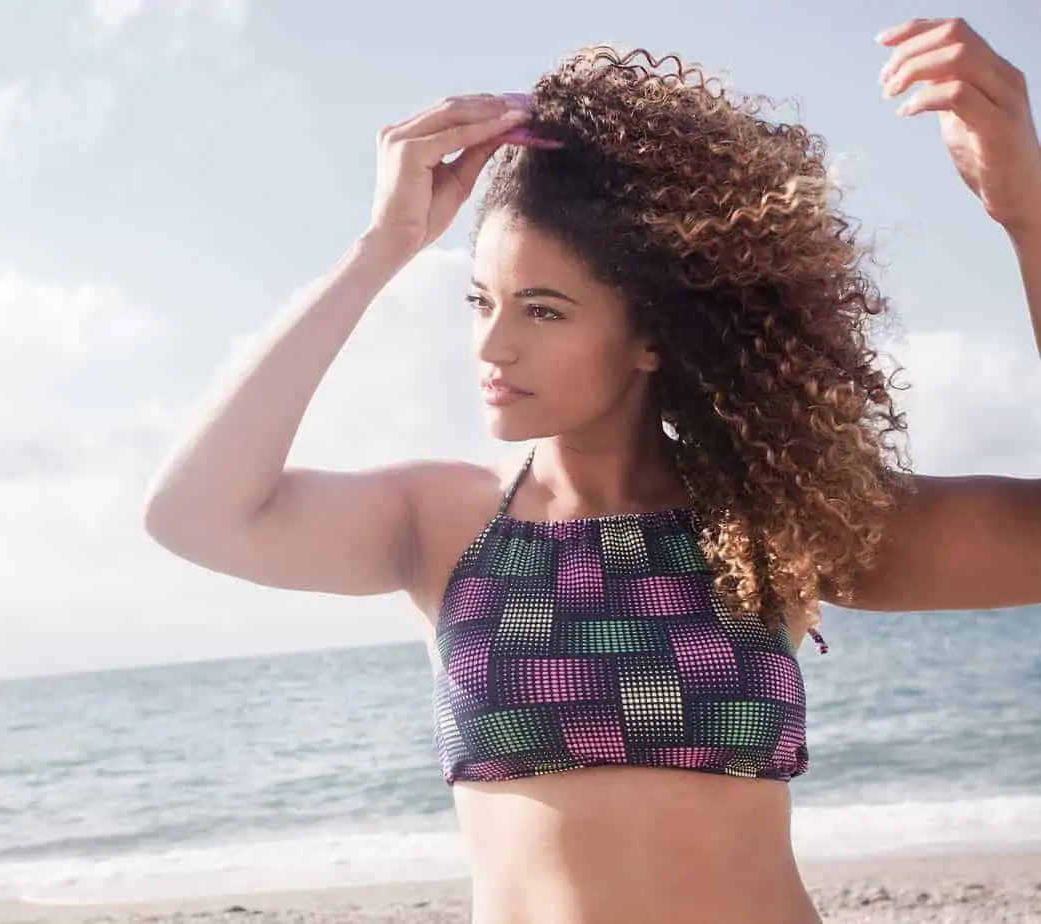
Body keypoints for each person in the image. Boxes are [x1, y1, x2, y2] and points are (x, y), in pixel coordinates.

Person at [142, 16, 1041, 924]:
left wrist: (1027, 214)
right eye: (480, 299)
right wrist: (384, 248)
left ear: (651, 334)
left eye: (543, 310)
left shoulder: (772, 518)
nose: (491, 344)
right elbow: (196, 515)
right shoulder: (442, 522)